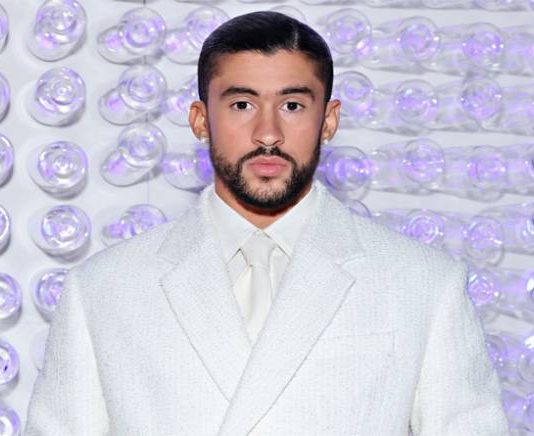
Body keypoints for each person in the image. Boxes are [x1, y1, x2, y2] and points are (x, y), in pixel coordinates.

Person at [24, 11, 510, 436]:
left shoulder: (423, 284)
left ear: (329, 120)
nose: (268, 133)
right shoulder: (104, 289)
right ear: (199, 119)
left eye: (292, 105)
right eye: (242, 104)